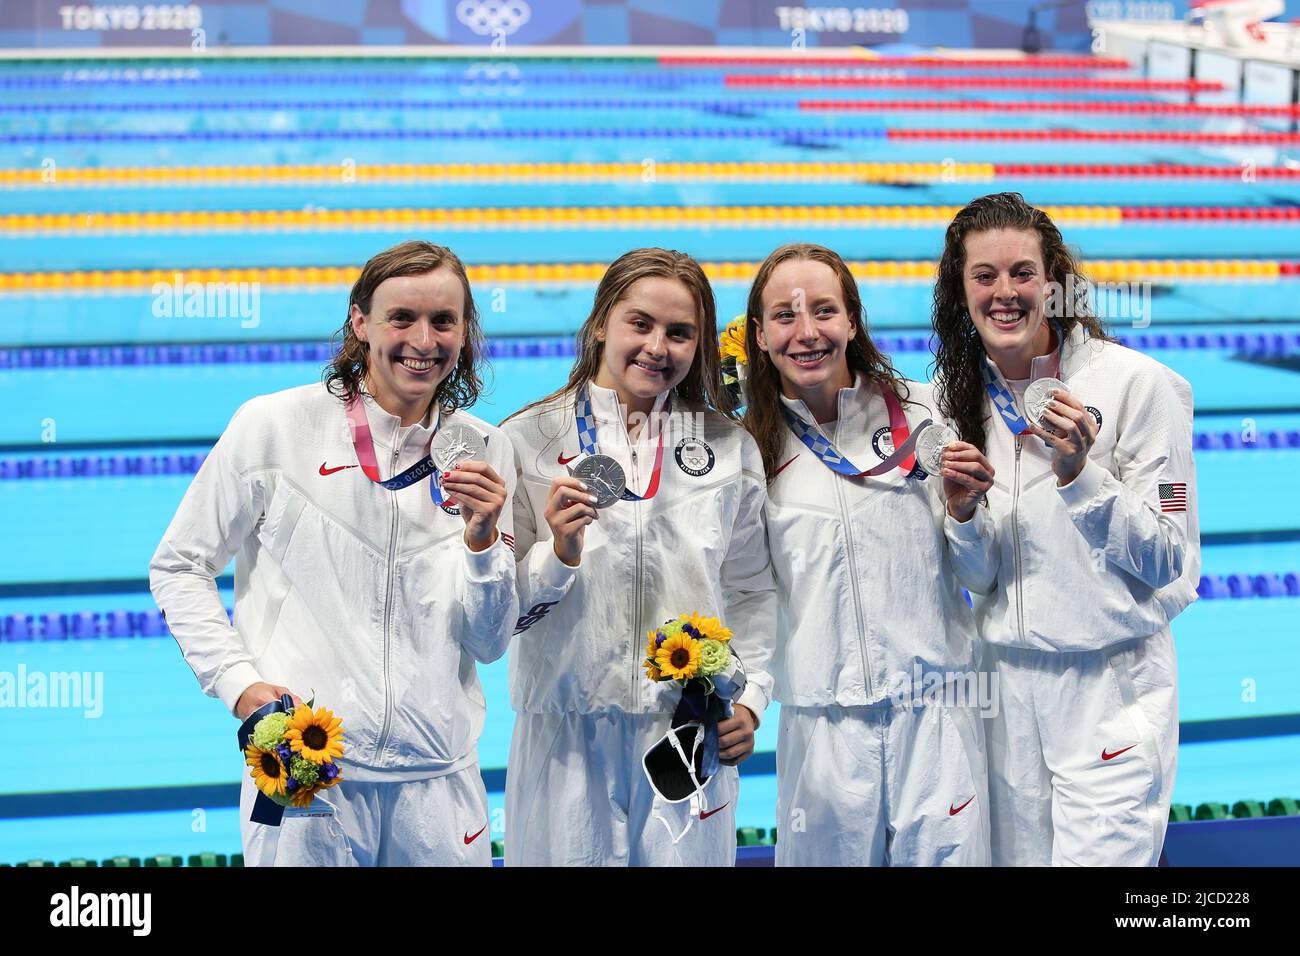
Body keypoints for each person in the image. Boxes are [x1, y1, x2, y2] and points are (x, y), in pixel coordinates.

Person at [149, 240, 518, 866]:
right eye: (402, 318)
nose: (423, 341)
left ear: (465, 333)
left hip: (438, 784)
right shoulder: (273, 425)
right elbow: (180, 565)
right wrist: (241, 687)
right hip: (306, 775)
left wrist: (483, 543)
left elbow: (489, 642)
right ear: (360, 323)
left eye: (443, 321)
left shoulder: (483, 449)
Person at [930, 193, 1200, 866]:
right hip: (1004, 693)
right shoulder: (952, 398)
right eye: (984, 277)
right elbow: (980, 579)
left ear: (1053, 284)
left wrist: (1080, 475)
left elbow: (1169, 553)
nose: (1005, 293)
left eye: (1022, 273)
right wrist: (962, 516)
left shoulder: (1142, 386)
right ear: (960, 290)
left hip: (1108, 688)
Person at [500, 247, 776, 866]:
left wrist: (752, 697)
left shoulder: (728, 447)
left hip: (687, 727)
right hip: (564, 733)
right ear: (603, 322)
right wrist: (557, 555)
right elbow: (497, 615)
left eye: (680, 333)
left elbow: (755, 591)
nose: (659, 346)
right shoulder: (526, 441)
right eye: (641, 324)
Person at [741, 242, 996, 866]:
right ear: (759, 334)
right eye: (785, 315)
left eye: (824, 311)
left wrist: (965, 514)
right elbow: (745, 594)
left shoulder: (925, 415)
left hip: (935, 713)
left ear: (852, 321)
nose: (808, 333)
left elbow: (982, 574)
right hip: (822, 724)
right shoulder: (748, 450)